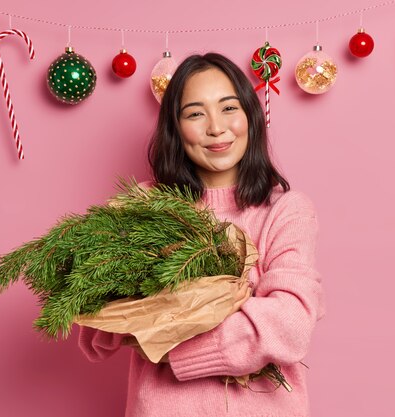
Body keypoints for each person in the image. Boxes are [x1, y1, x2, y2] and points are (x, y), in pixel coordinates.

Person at [78, 52, 324, 417]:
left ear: (250, 117)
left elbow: (290, 324)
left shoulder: (286, 211)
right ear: (175, 128)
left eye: (228, 108)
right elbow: (97, 330)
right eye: (195, 113)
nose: (216, 128)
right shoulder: (145, 208)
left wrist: (172, 343)